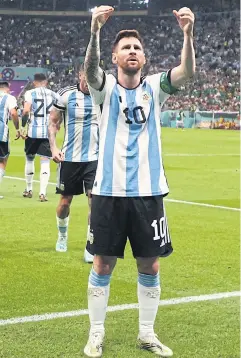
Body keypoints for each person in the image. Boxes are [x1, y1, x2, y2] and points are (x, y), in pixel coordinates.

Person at [83, 5, 195, 358]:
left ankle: (147, 333)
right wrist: (95, 32)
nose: (132, 51)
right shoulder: (105, 89)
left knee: (151, 264)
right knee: (102, 264)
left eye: (137, 48)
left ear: (144, 58)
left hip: (149, 193)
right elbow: (90, 71)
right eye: (126, 47)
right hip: (108, 192)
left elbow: (187, 73)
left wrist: (188, 35)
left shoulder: (155, 88)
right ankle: (96, 333)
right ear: (114, 56)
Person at [48, 65, 99, 262]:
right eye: (86, 77)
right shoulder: (66, 94)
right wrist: (53, 148)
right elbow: (53, 122)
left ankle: (91, 244)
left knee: (94, 201)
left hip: (94, 158)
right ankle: (62, 234)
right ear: (79, 75)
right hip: (69, 158)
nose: (89, 82)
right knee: (64, 202)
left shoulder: (101, 94)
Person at [21, 73, 56, 202]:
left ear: (34, 82)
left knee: (29, 159)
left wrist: (23, 126)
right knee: (45, 161)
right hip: (47, 132)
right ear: (46, 82)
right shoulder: (52, 94)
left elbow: (25, 111)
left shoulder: (30, 93)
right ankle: (42, 193)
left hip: (33, 132)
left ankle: (29, 189)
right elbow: (59, 111)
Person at [0, 81, 20, 199]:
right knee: (2, 161)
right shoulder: (9, 98)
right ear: (7, 89)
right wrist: (17, 128)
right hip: (1, 133)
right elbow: (13, 113)